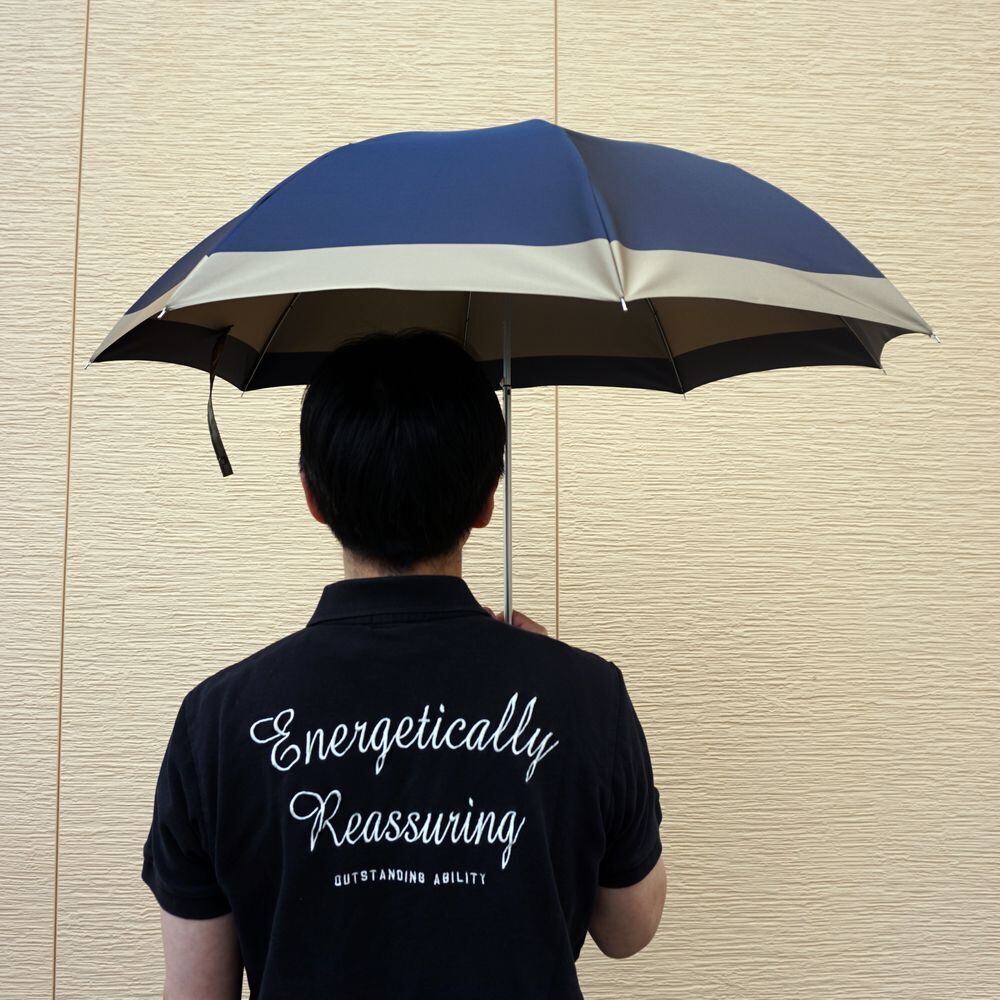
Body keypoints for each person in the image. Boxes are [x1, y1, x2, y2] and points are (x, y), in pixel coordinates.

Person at [142, 327, 666, 999]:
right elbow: (629, 928)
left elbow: (197, 992)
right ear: (487, 500)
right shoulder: (586, 695)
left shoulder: (216, 720)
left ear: (313, 498)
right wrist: (560, 687)